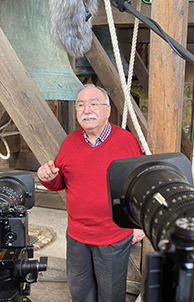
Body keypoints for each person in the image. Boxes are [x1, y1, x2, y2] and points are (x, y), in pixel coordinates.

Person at [37, 84, 145, 302]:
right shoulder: (70, 142)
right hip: (77, 236)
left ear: (107, 110)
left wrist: (140, 224)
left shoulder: (126, 142)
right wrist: (47, 178)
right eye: (81, 105)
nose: (87, 110)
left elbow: (141, 186)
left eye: (94, 104)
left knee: (111, 296)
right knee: (80, 293)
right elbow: (60, 182)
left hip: (113, 236)